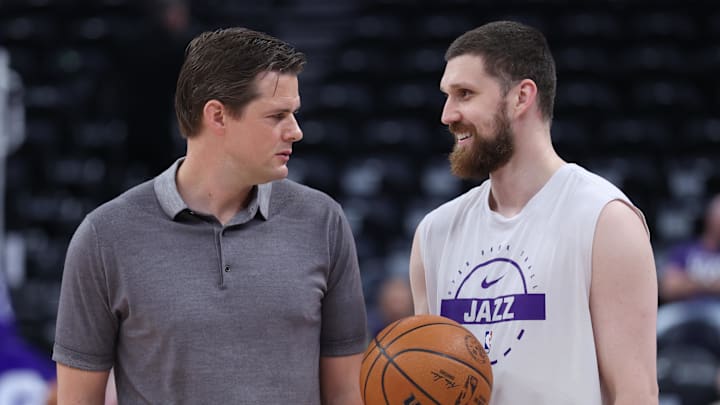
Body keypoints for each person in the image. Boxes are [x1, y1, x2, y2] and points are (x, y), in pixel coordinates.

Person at [52, 27, 367, 404]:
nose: (296, 131)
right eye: (277, 115)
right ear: (217, 115)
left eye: (294, 114)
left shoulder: (323, 222)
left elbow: (346, 395)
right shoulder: (105, 236)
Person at [409, 21, 658, 404]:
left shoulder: (604, 219)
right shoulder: (434, 234)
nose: (447, 114)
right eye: (447, 96)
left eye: (465, 94)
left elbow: (634, 392)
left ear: (521, 97)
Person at [660, 194, 720, 302]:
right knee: (665, 318)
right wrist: (711, 283)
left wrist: (689, 281)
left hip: (717, 308)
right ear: (709, 217)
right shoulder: (684, 250)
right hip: (683, 309)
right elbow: (668, 287)